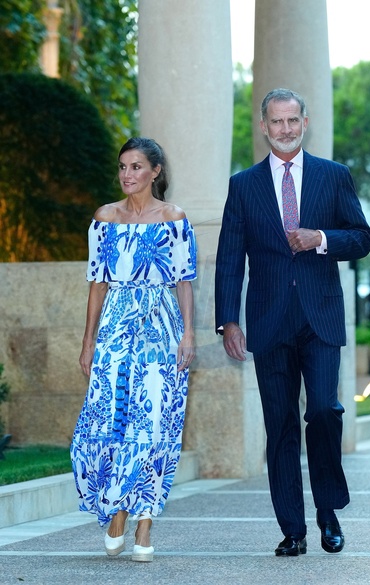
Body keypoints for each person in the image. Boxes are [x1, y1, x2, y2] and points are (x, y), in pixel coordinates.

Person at [215, 88, 370, 556]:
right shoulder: (243, 185)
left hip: (320, 316)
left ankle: (327, 509)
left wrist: (320, 237)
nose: (284, 129)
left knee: (324, 410)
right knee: (280, 424)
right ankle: (293, 529)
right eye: (276, 122)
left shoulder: (333, 175)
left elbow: (361, 238)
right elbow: (230, 258)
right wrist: (228, 320)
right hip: (268, 320)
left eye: (292, 120)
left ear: (305, 122)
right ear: (263, 126)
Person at [71, 137, 196, 562]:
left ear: (155, 171)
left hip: (161, 329)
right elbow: (97, 284)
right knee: (109, 420)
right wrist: (88, 342)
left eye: (137, 166)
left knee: (154, 421)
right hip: (114, 330)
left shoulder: (174, 217)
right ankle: (117, 507)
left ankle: (142, 521)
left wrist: (188, 334)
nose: (127, 174)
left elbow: (184, 281)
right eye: (123, 166)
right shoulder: (105, 218)